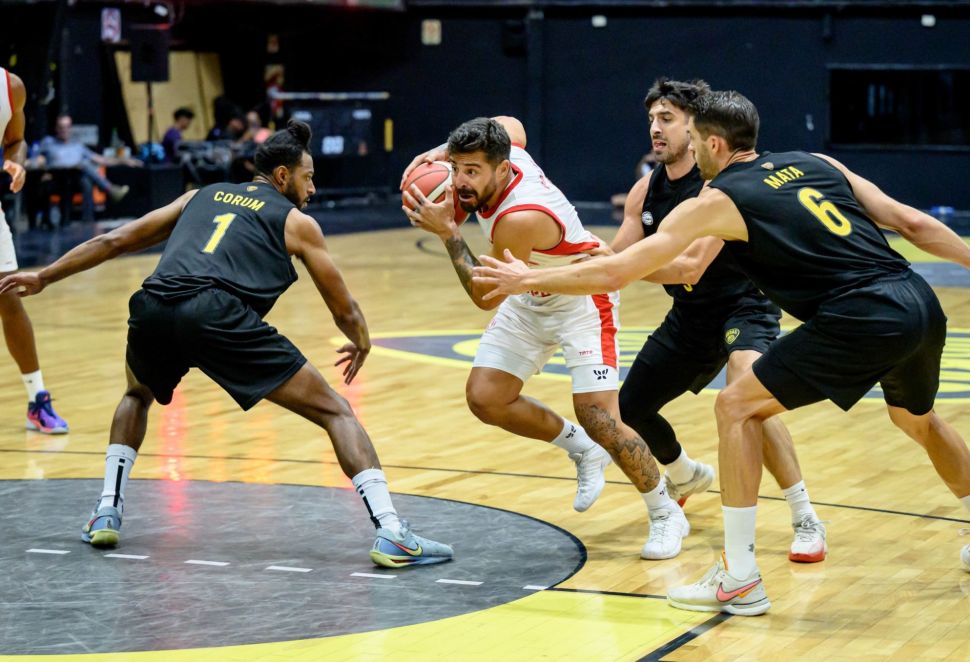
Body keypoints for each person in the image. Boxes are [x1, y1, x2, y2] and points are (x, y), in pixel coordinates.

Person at [473, 90, 970, 614]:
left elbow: (620, 271)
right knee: (916, 420)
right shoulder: (816, 161)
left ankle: (741, 578)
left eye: (689, 135)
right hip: (917, 301)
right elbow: (912, 224)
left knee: (736, 406)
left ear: (712, 143)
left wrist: (529, 278)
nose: (686, 145)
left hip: (857, 315)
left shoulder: (717, 199)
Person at [0, 120, 453, 568]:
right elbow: (343, 309)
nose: (313, 188)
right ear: (282, 176)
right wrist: (361, 339)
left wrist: (45, 276)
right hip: (214, 313)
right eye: (308, 177)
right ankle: (391, 532)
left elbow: (115, 239)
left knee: (136, 395)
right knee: (336, 411)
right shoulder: (297, 223)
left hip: (155, 304)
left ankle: (106, 510)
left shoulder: (200, 195)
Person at [402, 116, 690, 560]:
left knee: (600, 417)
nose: (459, 181)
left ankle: (665, 511)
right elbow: (511, 124)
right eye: (456, 168)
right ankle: (581, 449)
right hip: (528, 290)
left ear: (502, 168)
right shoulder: (507, 150)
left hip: (580, 297)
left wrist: (449, 233)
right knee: (486, 397)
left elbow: (484, 295)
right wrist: (443, 149)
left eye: (472, 171)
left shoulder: (520, 217)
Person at [614, 78, 826, 563]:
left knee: (748, 396)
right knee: (628, 409)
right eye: (651, 119)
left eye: (667, 119)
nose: (655, 128)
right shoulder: (645, 190)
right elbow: (613, 254)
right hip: (691, 316)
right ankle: (685, 474)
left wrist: (619, 270)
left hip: (744, 306)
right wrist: (560, 267)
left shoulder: (718, 187)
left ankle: (805, 517)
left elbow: (688, 267)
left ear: (697, 129)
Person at [0, 68, 69, 434]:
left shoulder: (10, 87)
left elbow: (16, 140)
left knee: (9, 297)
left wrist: (17, 162)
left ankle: (37, 399)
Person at [34, 115, 133, 223]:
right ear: (56, 128)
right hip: (55, 178)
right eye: (61, 127)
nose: (64, 130)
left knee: (85, 178)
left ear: (71, 128)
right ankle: (110, 189)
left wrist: (123, 161)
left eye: (67, 127)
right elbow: (38, 159)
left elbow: (99, 159)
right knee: (85, 169)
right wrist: (43, 169)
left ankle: (88, 221)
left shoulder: (77, 145)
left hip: (75, 179)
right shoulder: (48, 142)